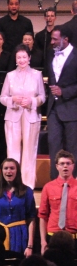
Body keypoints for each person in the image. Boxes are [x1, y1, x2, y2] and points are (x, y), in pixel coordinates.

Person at [0, 44, 45, 189]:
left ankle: (28, 186)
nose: (22, 60)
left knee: (29, 152)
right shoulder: (10, 75)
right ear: (15, 59)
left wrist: (31, 101)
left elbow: (42, 97)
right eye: (19, 57)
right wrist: (13, 100)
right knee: (13, 151)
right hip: (13, 116)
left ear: (29, 58)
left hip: (31, 116)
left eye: (24, 57)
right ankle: (12, 185)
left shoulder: (37, 74)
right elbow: (2, 97)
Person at [0, 158, 36, 256]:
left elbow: (31, 219)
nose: (9, 171)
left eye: (12, 168)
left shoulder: (27, 192)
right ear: (2, 172)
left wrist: (30, 246)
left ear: (17, 171)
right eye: (6, 168)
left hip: (20, 235)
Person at [47, 26, 77, 178]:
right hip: (54, 109)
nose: (52, 42)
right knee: (54, 148)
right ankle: (55, 183)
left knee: (72, 149)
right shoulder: (52, 55)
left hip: (72, 109)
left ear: (65, 39)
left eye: (55, 39)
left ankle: (73, 184)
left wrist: (64, 92)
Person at [39, 150, 77, 253]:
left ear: (73, 166)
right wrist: (43, 242)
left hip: (74, 238)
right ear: (57, 166)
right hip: (53, 236)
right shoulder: (48, 187)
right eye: (62, 164)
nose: (65, 166)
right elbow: (43, 216)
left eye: (68, 163)